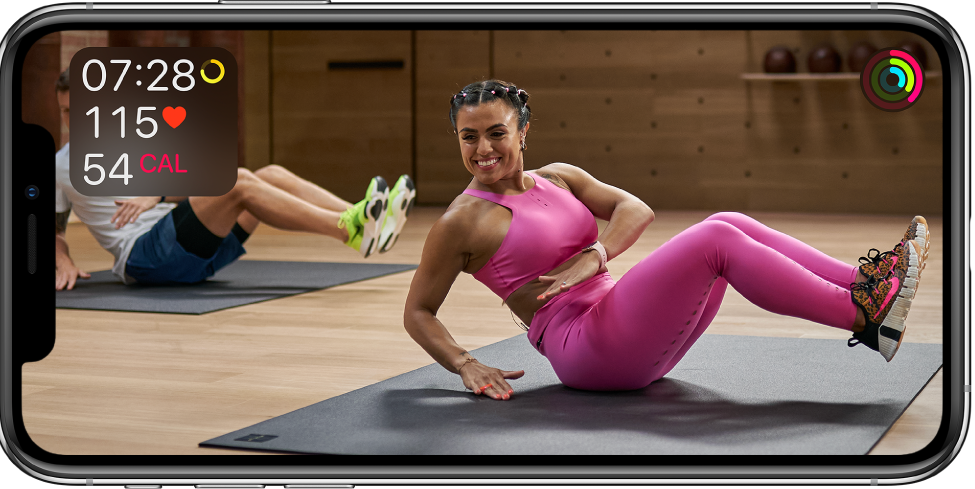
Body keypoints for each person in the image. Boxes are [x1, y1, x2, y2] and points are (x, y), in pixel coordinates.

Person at [402, 79, 930, 400]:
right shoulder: (462, 221)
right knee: (716, 239)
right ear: (458, 139)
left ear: (523, 132)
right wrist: (464, 363)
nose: (483, 148)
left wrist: (597, 255)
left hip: (622, 324)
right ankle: (867, 318)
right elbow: (418, 311)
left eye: (497, 132)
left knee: (729, 219)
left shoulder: (558, 177)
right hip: (587, 348)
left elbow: (637, 209)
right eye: (469, 136)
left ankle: (867, 283)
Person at [55, 68, 416, 289]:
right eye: (67, 111)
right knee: (239, 181)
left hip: (196, 249)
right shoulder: (60, 166)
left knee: (270, 175)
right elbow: (50, 227)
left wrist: (159, 195)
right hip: (147, 258)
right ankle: (349, 230)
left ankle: (370, 218)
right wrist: (64, 259)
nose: (76, 118)